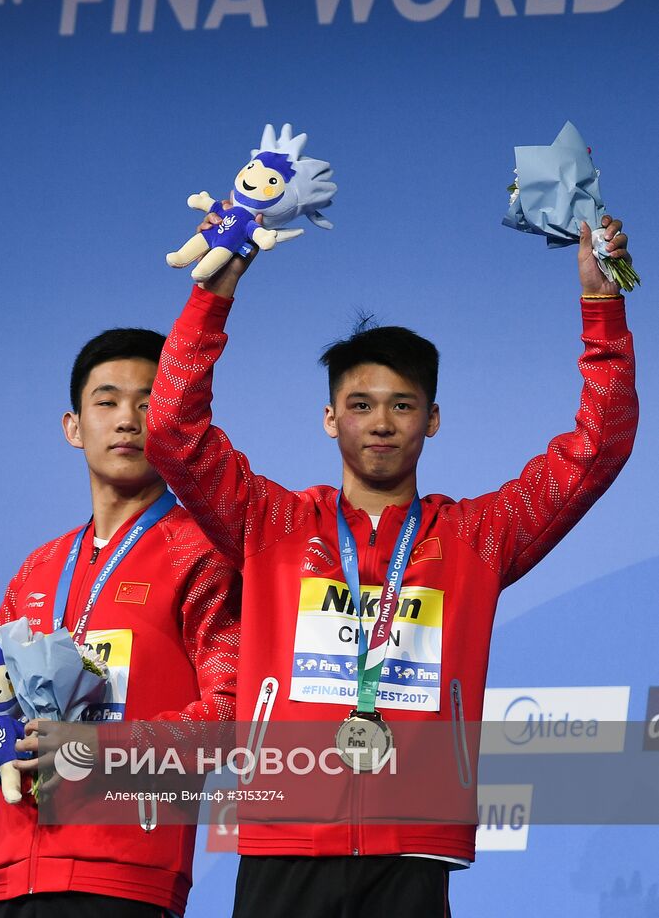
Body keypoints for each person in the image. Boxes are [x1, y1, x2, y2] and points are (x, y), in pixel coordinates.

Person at [144, 216, 638, 918]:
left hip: (413, 845)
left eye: (401, 405)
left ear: (431, 419)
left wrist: (601, 305)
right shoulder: (271, 525)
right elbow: (171, 430)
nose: (380, 423)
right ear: (328, 418)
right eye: (360, 405)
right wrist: (214, 292)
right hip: (284, 835)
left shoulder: (476, 537)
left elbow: (598, 448)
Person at [0, 327, 241, 918]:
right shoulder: (39, 567)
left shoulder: (202, 555)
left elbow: (228, 717)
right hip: (14, 881)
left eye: (150, 402)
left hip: (127, 881)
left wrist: (93, 750)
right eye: (106, 401)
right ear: (73, 427)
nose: (128, 420)